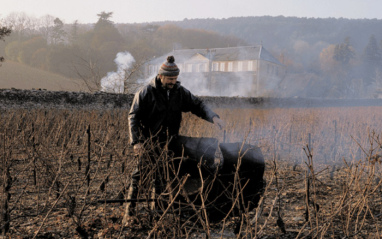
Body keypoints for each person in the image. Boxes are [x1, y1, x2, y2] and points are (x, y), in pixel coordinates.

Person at [124, 55, 224, 220]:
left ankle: (158, 214)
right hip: (150, 142)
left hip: (170, 141)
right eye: (170, 78)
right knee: (139, 176)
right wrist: (137, 142)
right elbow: (133, 117)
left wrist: (213, 117)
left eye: (175, 78)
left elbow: (197, 105)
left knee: (163, 177)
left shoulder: (179, 92)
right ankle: (129, 214)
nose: (172, 82)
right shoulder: (146, 92)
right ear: (161, 76)